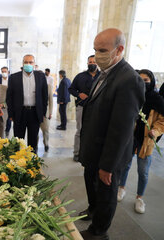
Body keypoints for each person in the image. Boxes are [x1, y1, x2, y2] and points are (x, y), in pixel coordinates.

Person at [78, 28, 145, 240]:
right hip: (94, 147)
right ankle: (93, 210)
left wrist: (108, 165)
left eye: (103, 50)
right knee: (92, 183)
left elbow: (122, 129)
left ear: (119, 49)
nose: (97, 55)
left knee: (106, 191)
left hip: (109, 153)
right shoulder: (104, 73)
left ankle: (99, 232)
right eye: (95, 50)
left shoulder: (128, 79)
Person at [117, 69, 164, 214]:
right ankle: (121, 188)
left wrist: (154, 132)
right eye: (140, 79)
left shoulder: (157, 99)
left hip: (146, 141)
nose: (143, 83)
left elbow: (162, 121)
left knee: (143, 171)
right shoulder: (132, 96)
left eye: (146, 80)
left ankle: (139, 198)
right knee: (125, 165)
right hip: (130, 138)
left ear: (152, 81)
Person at [6, 54, 48, 153]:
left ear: (34, 64)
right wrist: (11, 114)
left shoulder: (41, 76)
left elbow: (44, 96)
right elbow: (9, 97)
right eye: (26, 62)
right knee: (18, 140)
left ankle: (31, 162)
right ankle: (17, 162)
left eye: (30, 62)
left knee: (33, 140)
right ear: (22, 63)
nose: (28, 64)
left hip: (34, 112)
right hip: (20, 112)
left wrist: (43, 113)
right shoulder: (14, 77)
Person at [69, 55, 100, 161]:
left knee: (95, 131)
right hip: (82, 107)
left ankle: (90, 153)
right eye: (90, 62)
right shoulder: (80, 76)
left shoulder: (103, 76)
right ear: (87, 63)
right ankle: (76, 153)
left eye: (94, 62)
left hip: (97, 109)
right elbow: (71, 89)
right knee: (80, 130)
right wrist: (79, 94)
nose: (92, 64)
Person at [40, 77, 53, 152]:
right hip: (35, 112)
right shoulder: (35, 85)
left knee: (46, 130)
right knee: (35, 131)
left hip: (45, 113)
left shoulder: (49, 86)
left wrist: (50, 112)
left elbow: (51, 100)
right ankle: (34, 145)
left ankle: (46, 144)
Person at [0, 66, 11, 137]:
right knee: (1, 116)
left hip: (9, 100)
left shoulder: (11, 79)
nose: (4, 73)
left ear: (8, 72)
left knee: (9, 116)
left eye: (5, 71)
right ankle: (1, 129)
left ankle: (7, 130)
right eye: (2, 72)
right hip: (1, 100)